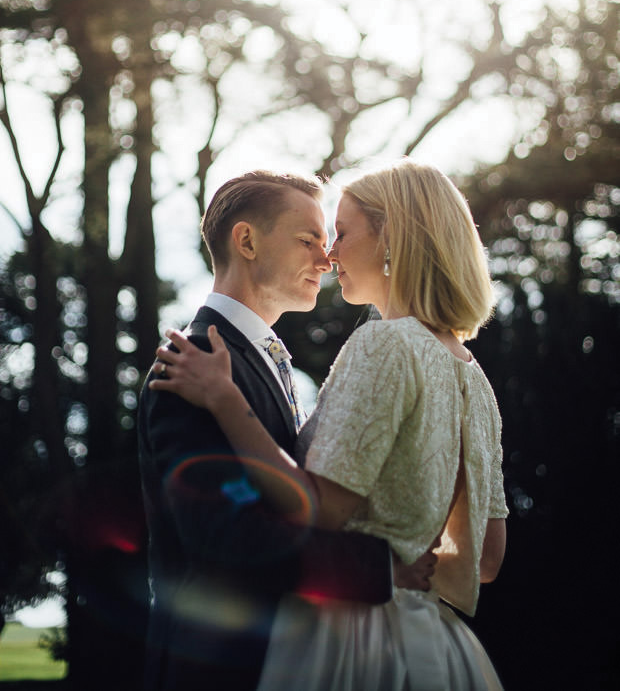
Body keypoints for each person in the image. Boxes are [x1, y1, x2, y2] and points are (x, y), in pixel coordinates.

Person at [149, 160, 509, 690]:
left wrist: (226, 399)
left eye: (339, 234)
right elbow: (486, 559)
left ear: (394, 240)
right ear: (245, 242)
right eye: (312, 238)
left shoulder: (383, 344)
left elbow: (317, 505)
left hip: (349, 647)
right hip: (429, 643)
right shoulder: (474, 378)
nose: (329, 254)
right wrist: (392, 566)